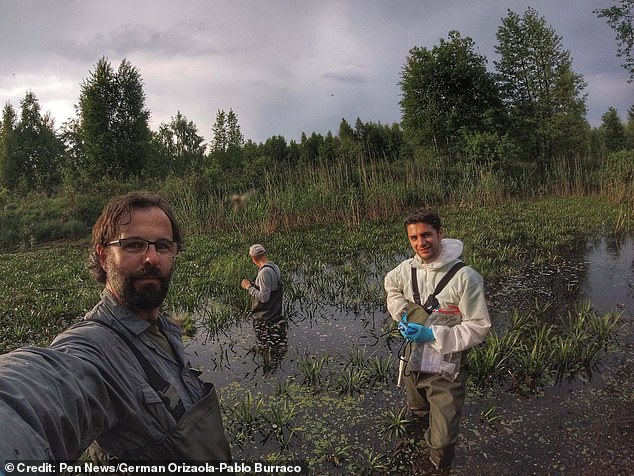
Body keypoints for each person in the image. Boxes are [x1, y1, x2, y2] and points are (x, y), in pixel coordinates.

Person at [0, 191, 231, 464]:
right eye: (134, 245)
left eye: (163, 246)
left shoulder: (163, 329)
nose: (152, 258)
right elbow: (38, 394)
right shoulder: (96, 348)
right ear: (102, 257)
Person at [384, 208, 490, 471]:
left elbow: (479, 327)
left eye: (426, 235)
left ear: (440, 233)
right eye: (414, 238)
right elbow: (390, 285)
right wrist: (403, 315)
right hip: (412, 362)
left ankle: (436, 465)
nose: (421, 243)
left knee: (442, 443)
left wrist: (433, 334)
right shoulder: (406, 269)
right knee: (418, 414)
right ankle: (419, 454)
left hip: (445, 369)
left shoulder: (466, 277)